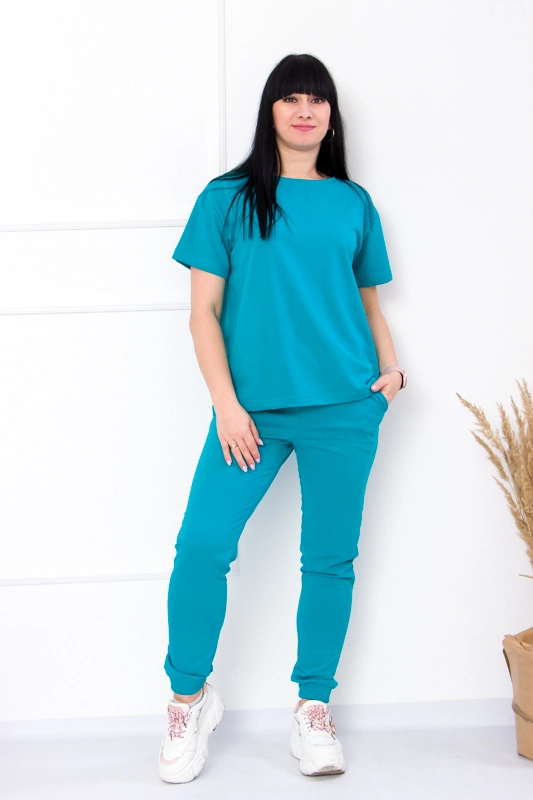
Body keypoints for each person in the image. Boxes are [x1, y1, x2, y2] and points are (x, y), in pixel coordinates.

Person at [158, 53, 407, 784]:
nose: (305, 110)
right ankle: (188, 700)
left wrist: (390, 378)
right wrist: (227, 407)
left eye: (317, 100)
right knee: (202, 546)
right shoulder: (227, 199)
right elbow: (202, 313)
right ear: (269, 111)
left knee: (329, 560)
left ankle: (313, 708)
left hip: (345, 408)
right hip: (251, 415)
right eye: (290, 98)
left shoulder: (353, 203)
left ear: (331, 116)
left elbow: (367, 306)